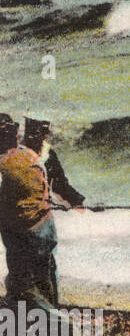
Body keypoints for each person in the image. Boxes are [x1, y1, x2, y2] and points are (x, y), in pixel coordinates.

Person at [0, 118, 83, 310]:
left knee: (25, 282)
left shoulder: (14, 161)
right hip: (43, 224)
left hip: (26, 229)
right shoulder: (30, 155)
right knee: (43, 275)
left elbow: (56, 184)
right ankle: (46, 313)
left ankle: (58, 324)